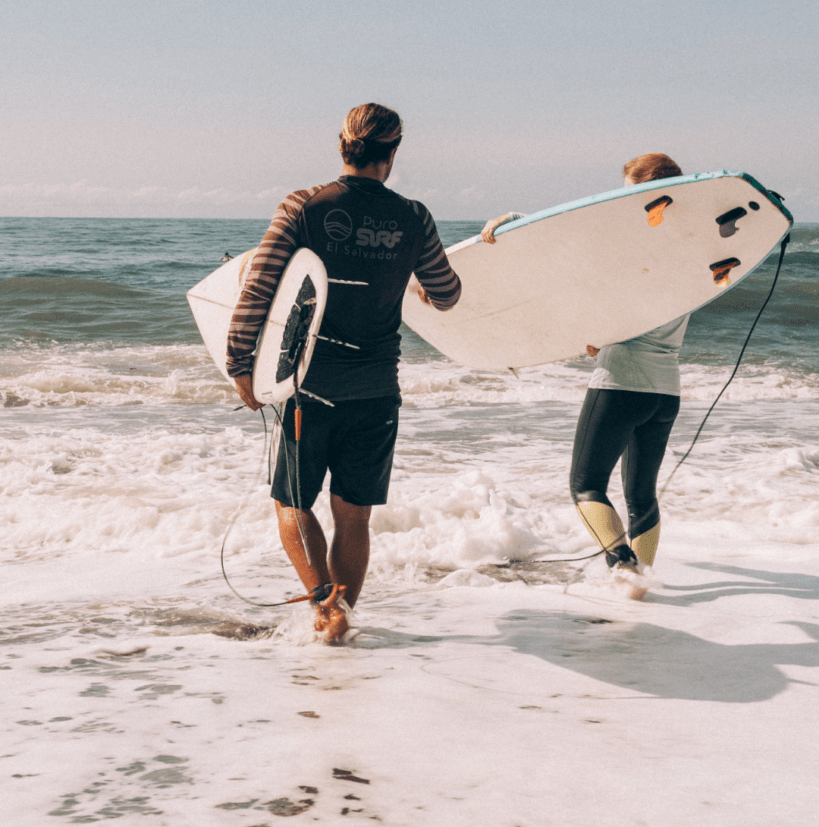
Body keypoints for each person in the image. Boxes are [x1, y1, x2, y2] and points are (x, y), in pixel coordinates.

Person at [227, 103, 461, 641]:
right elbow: (447, 294)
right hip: (378, 391)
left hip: (309, 388)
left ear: (342, 145)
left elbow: (258, 290)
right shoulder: (414, 216)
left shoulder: (303, 206)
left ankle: (322, 607)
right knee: (354, 516)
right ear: (394, 153)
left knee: (292, 502)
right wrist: (419, 283)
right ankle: (342, 618)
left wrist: (241, 366)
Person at [482, 153, 688, 596]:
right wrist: (603, 333)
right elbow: (637, 311)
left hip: (620, 383)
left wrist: (516, 220)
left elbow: (567, 247)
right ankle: (641, 584)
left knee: (585, 484)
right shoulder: (688, 251)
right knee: (641, 496)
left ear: (646, 192)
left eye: (630, 191)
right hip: (665, 390)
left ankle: (623, 566)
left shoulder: (632, 243)